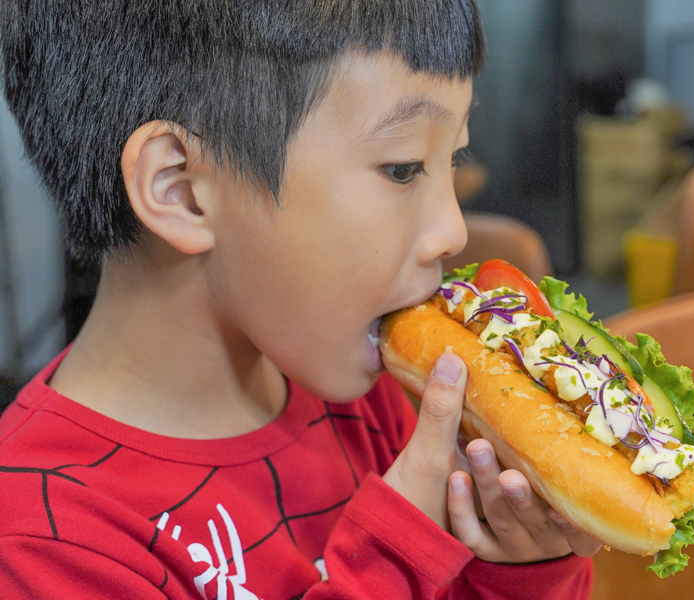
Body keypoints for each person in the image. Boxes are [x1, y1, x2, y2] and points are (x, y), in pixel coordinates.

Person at [0, 1, 601, 598]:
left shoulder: (378, 402)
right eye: (403, 167)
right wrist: (398, 554)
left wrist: (518, 571)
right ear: (180, 190)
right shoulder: (39, 541)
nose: (453, 231)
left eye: (455, 157)